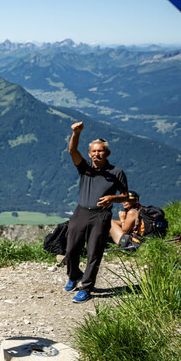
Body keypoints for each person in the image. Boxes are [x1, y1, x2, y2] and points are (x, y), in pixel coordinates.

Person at [64, 122, 129, 303]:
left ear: (107, 153)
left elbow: (126, 196)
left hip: (101, 216)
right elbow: (72, 151)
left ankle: (86, 288)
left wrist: (112, 199)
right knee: (71, 249)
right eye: (93, 151)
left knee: (94, 252)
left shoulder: (117, 172)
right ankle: (74, 274)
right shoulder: (85, 168)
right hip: (81, 212)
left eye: (100, 151)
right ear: (89, 153)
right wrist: (76, 133)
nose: (96, 154)